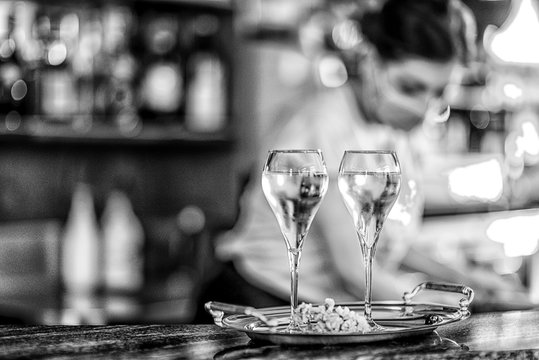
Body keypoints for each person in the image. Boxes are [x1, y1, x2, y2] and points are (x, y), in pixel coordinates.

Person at [196, 0, 530, 322]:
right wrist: (442, 302)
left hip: (324, 310)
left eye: (439, 92)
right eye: (411, 87)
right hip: (265, 304)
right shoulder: (324, 126)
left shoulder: (391, 129)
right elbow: (354, 271)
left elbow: (385, 243)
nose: (424, 106)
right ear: (372, 62)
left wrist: (464, 280)